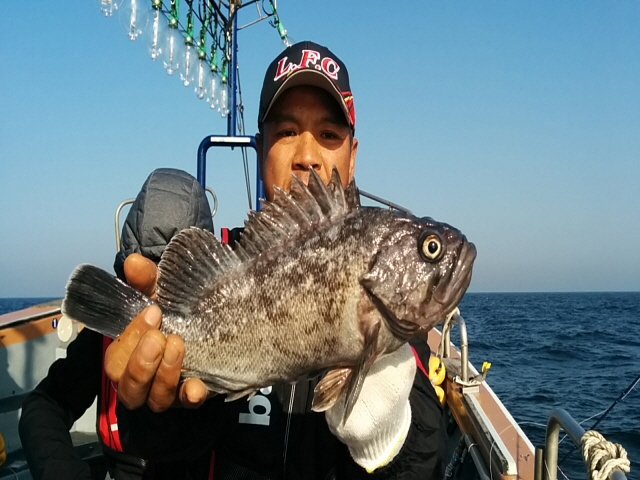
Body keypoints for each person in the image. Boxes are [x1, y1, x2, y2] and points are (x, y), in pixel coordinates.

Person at [105, 41, 448, 479]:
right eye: (286, 132)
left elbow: (426, 459)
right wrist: (158, 409)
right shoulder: (226, 265)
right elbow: (160, 449)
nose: (307, 156)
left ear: (352, 156)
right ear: (259, 148)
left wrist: (390, 438)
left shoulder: (394, 295)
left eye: (329, 135)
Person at [19, 168, 214, 480]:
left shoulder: (240, 334)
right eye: (140, 287)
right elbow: (44, 405)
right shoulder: (105, 336)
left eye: (177, 280)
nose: (156, 297)